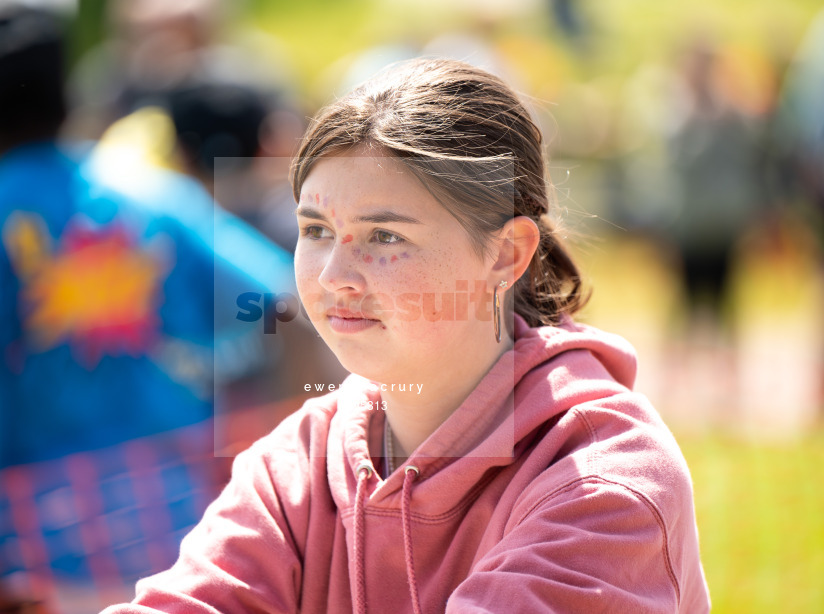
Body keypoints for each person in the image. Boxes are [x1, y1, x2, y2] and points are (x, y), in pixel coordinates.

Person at [102, 58, 711, 613]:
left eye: (386, 237)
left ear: (506, 253)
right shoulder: (298, 463)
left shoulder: (602, 482)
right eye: (315, 230)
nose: (334, 277)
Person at [0, 7, 298, 613]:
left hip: (27, 560)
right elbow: (283, 301)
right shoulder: (157, 198)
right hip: (178, 538)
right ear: (69, 98)